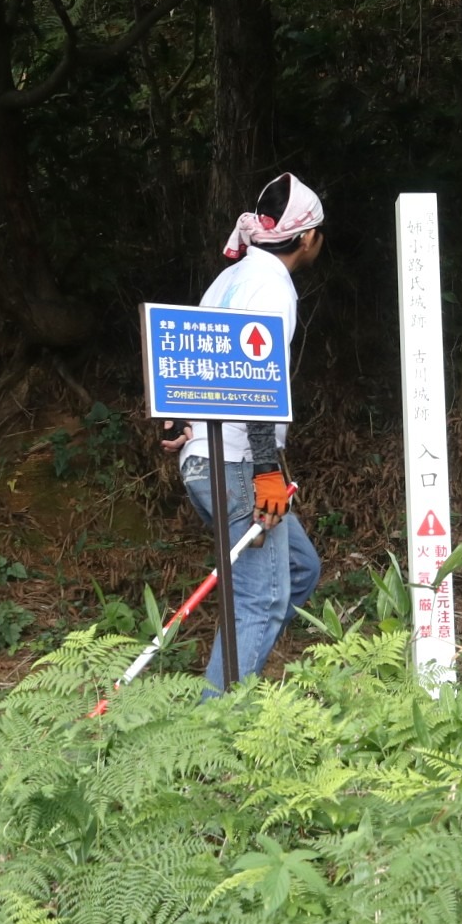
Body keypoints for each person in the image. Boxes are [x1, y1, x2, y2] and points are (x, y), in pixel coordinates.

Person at [159, 173, 325, 694]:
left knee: (299, 569)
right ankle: (217, 728)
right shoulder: (272, 287)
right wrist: (268, 473)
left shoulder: (227, 280)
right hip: (235, 465)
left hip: (205, 458)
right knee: (261, 598)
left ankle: (239, 671)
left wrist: (181, 420)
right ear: (306, 238)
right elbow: (254, 386)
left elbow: (197, 361)